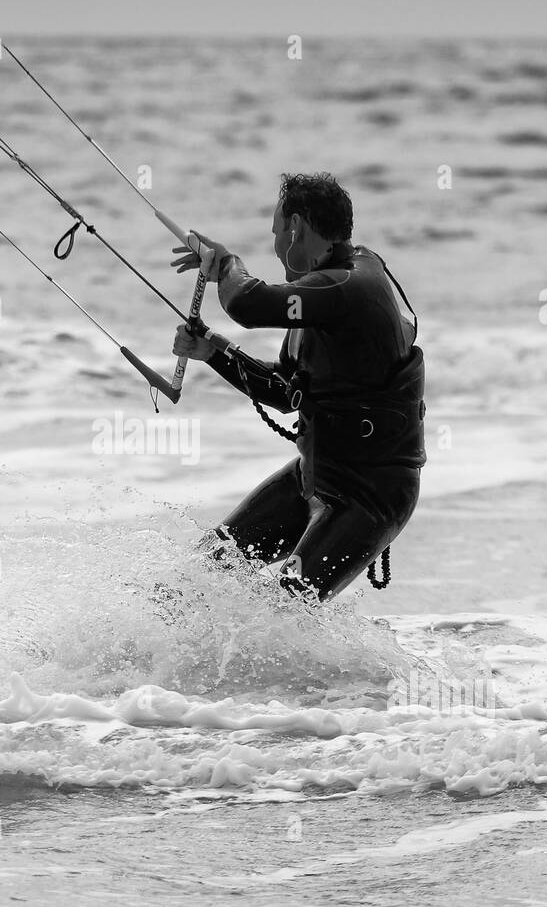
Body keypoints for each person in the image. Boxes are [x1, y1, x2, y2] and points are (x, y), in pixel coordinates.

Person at [171, 172, 425, 602]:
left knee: (286, 606)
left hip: (369, 495)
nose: (274, 244)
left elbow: (248, 303)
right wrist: (211, 351)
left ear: (296, 228)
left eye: (276, 231)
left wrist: (229, 265)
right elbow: (285, 391)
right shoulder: (326, 292)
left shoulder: (352, 285)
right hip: (316, 473)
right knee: (204, 576)